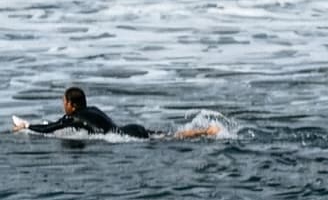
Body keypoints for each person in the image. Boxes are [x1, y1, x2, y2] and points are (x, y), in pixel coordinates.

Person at [11, 85, 220, 140]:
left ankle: (205, 131)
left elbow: (50, 129)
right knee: (168, 137)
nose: (63, 105)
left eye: (64, 101)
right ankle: (205, 130)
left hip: (125, 137)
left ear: (72, 105)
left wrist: (26, 126)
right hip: (131, 128)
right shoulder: (92, 110)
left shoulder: (72, 117)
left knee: (169, 140)